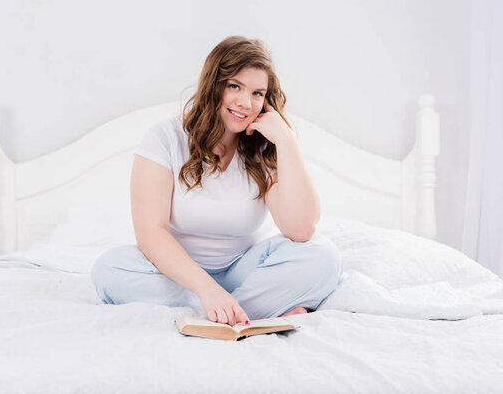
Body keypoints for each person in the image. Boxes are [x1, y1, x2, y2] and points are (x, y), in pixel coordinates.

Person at [91, 36, 342, 326]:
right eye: (235, 86)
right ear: (214, 84)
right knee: (108, 271)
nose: (245, 103)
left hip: (242, 269)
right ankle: (246, 309)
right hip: (175, 274)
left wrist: (286, 140)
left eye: (258, 93)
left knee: (325, 258)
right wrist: (208, 291)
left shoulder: (263, 147)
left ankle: (211, 313)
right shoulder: (165, 138)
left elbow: (300, 229)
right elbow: (150, 234)